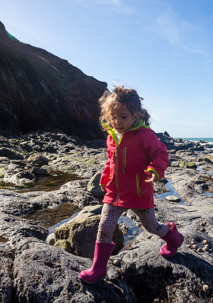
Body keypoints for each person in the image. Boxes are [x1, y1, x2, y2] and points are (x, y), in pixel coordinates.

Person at [79, 86, 184, 284]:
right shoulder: (111, 136)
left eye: (123, 117)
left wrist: (155, 170)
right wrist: (105, 176)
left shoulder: (145, 135)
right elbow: (111, 161)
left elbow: (161, 154)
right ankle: (98, 268)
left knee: (151, 226)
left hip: (138, 193)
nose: (117, 122)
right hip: (115, 193)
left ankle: (173, 237)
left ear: (136, 115)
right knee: (104, 227)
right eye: (113, 117)